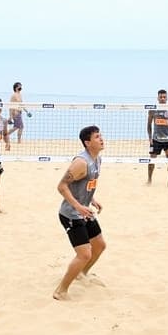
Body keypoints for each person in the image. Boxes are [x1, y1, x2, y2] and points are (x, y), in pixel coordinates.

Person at [53, 125, 107, 301]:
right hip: (71, 214)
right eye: (97, 137)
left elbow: (84, 184)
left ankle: (81, 273)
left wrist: (91, 199)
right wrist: (78, 206)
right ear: (87, 142)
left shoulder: (97, 159)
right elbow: (61, 186)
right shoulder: (81, 163)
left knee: (99, 245)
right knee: (84, 254)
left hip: (84, 209)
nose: (101, 139)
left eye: (101, 136)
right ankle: (60, 291)